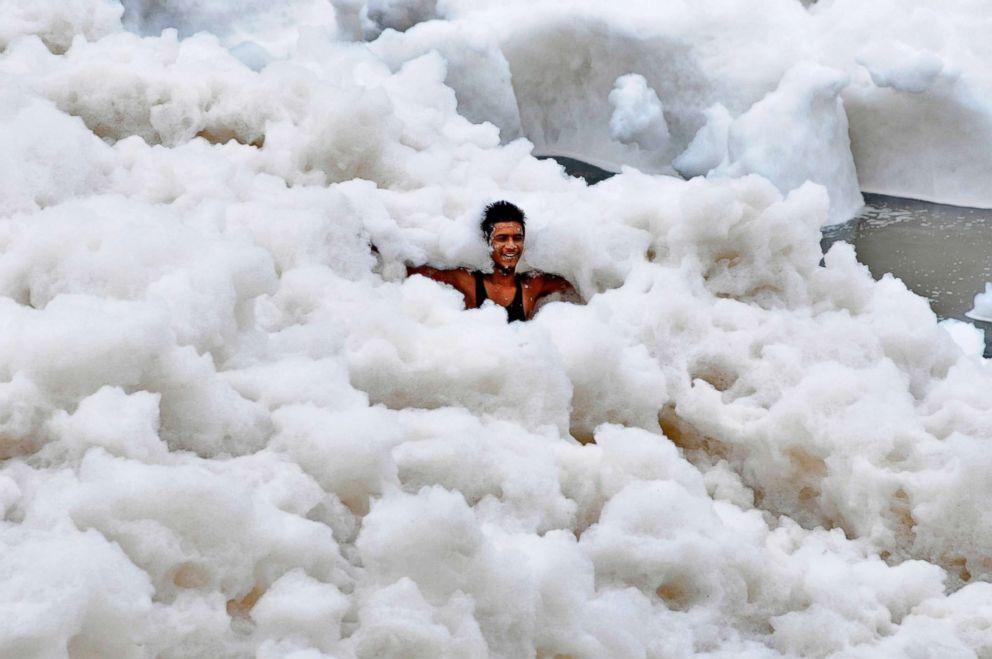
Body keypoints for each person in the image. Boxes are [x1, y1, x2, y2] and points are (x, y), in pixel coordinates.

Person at [403, 201, 575, 321]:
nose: (511, 246)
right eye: (502, 238)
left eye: (517, 238)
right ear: (488, 242)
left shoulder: (533, 284)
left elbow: (583, 284)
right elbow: (417, 272)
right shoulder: (468, 281)